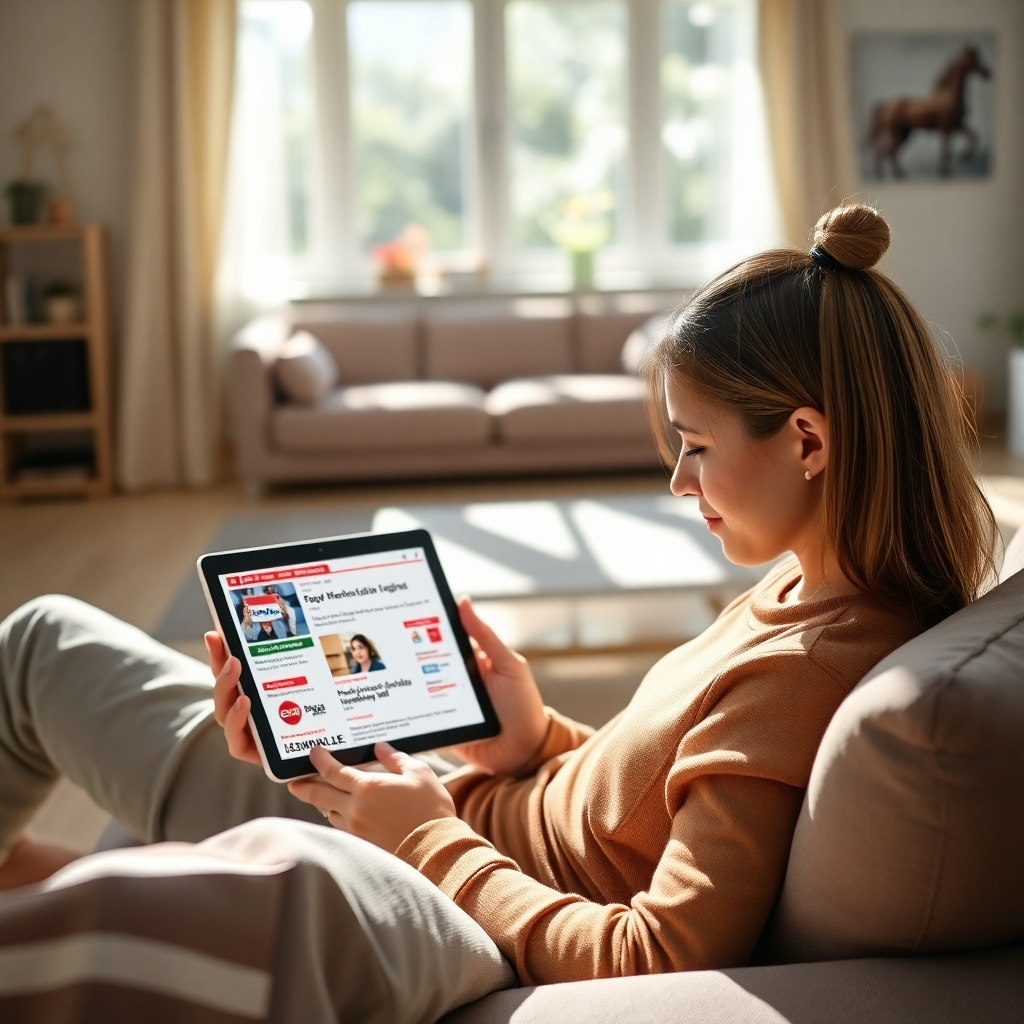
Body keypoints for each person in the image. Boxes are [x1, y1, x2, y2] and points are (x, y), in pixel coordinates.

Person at [0, 206, 995, 995]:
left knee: (38, 647)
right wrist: (538, 740)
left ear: (809, 443)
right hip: (450, 809)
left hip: (422, 867)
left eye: (694, 445)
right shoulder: (813, 590)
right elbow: (647, 808)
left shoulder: (805, 666)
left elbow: (652, 958)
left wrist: (421, 833)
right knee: (176, 711)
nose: (677, 482)